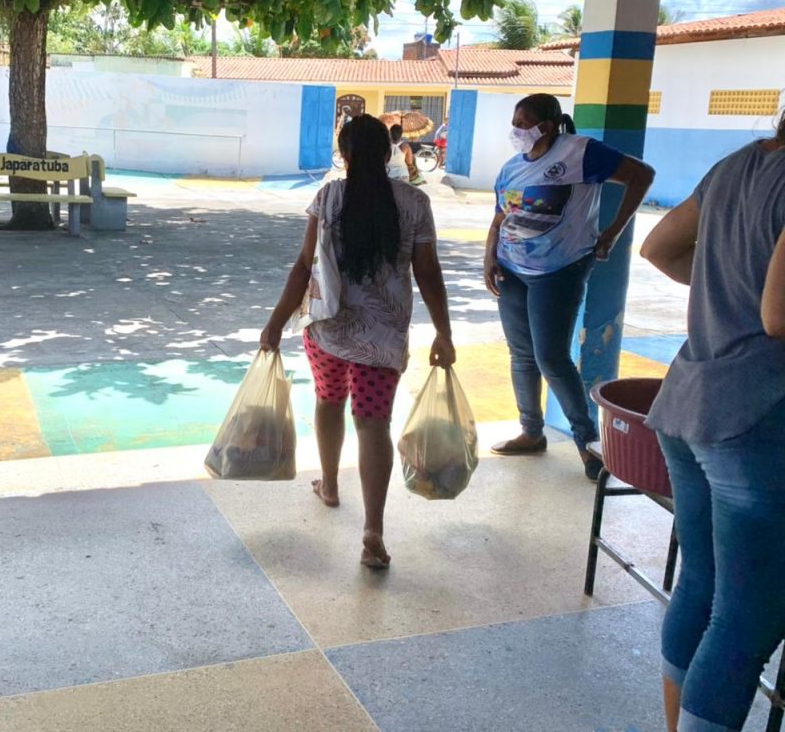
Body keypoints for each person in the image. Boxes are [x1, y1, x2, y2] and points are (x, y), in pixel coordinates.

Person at [640, 117, 785, 732]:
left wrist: (728, 280)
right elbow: (778, 315)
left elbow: (658, 248)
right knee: (744, 620)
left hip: (690, 401)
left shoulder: (737, 164)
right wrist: (750, 288)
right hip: (755, 417)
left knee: (701, 584)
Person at [260, 114, 456, 569]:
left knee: (329, 402)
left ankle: (329, 486)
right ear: (388, 153)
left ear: (344, 155)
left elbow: (303, 266)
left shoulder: (328, 197)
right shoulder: (414, 202)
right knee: (372, 424)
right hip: (383, 338)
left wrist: (276, 323)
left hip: (327, 329)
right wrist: (443, 332)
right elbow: (428, 273)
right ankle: (373, 530)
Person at [483, 93, 655, 480]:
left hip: (559, 269)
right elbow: (499, 218)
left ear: (545, 126)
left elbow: (642, 175)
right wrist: (489, 257)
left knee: (552, 358)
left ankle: (587, 443)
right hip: (512, 269)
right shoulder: (511, 168)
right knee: (522, 354)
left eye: (522, 124)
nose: (516, 131)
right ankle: (531, 432)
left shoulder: (580, 153)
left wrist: (614, 230)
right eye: (514, 123)